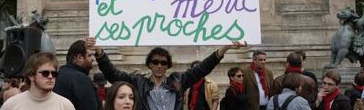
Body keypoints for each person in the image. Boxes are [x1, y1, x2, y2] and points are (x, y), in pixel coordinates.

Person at [90, 37, 247, 110]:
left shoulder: (178, 80)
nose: (159, 65)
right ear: (150, 64)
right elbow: (112, 74)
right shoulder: (138, 82)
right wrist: (99, 52)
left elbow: (203, 68)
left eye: (164, 63)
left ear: (168, 66)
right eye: (156, 62)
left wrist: (226, 47)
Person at [1, 53, 74, 110]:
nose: (50, 76)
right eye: (45, 73)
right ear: (31, 76)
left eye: (54, 73)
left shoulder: (65, 105)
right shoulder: (11, 105)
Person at [54, 40, 102, 110]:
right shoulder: (81, 79)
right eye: (89, 55)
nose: (93, 59)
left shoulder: (57, 75)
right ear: (79, 58)